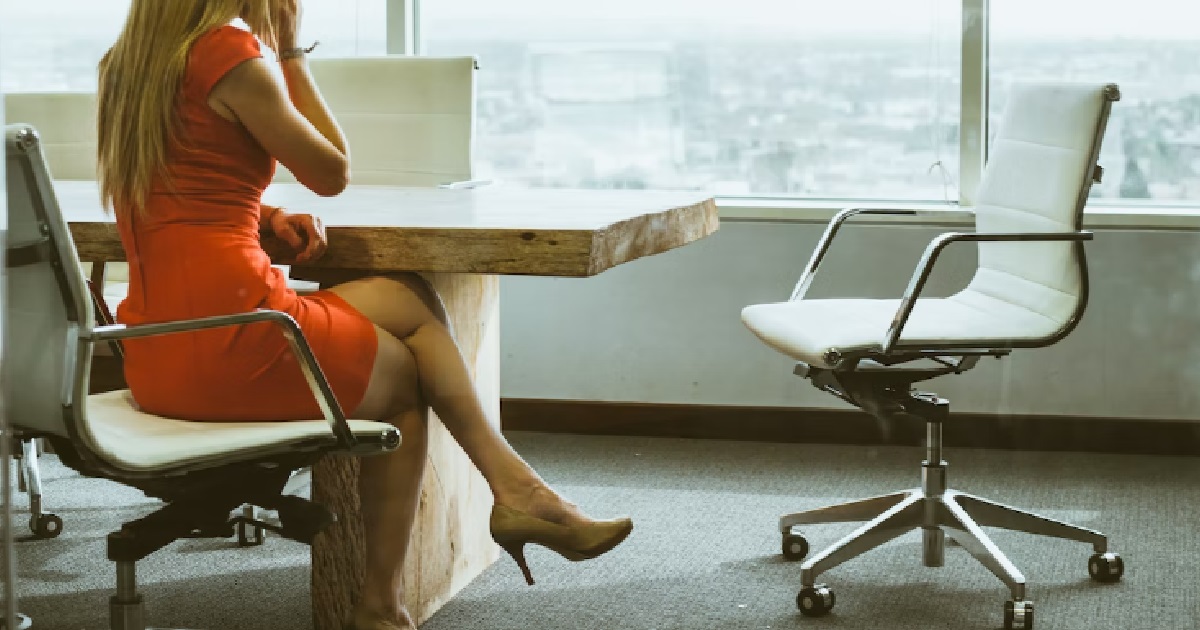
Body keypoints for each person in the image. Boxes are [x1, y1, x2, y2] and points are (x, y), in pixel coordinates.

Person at [94, 1, 632, 628]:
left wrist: (264, 218)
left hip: (156, 348)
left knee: (410, 300)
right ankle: (384, 603)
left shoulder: (125, 64)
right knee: (406, 380)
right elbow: (331, 172)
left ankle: (518, 491)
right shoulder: (228, 55)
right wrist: (291, 49)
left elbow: (169, 189)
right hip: (237, 336)